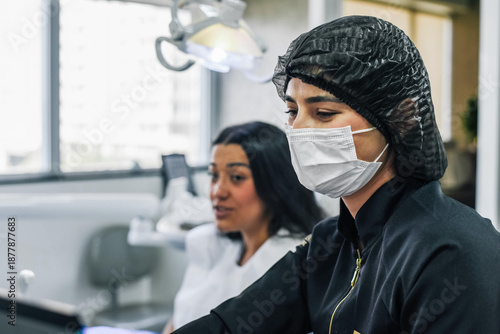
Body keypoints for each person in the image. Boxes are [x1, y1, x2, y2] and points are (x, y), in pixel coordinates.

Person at [171, 16, 500, 333]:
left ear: (402, 118)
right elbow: (235, 324)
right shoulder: (329, 244)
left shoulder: (452, 253)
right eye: (292, 112)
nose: (298, 130)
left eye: (324, 113)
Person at [163, 121, 324, 333]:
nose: (217, 192)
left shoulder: (295, 262)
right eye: (213, 175)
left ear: (275, 185)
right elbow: (177, 320)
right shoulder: (207, 243)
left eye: (236, 177)